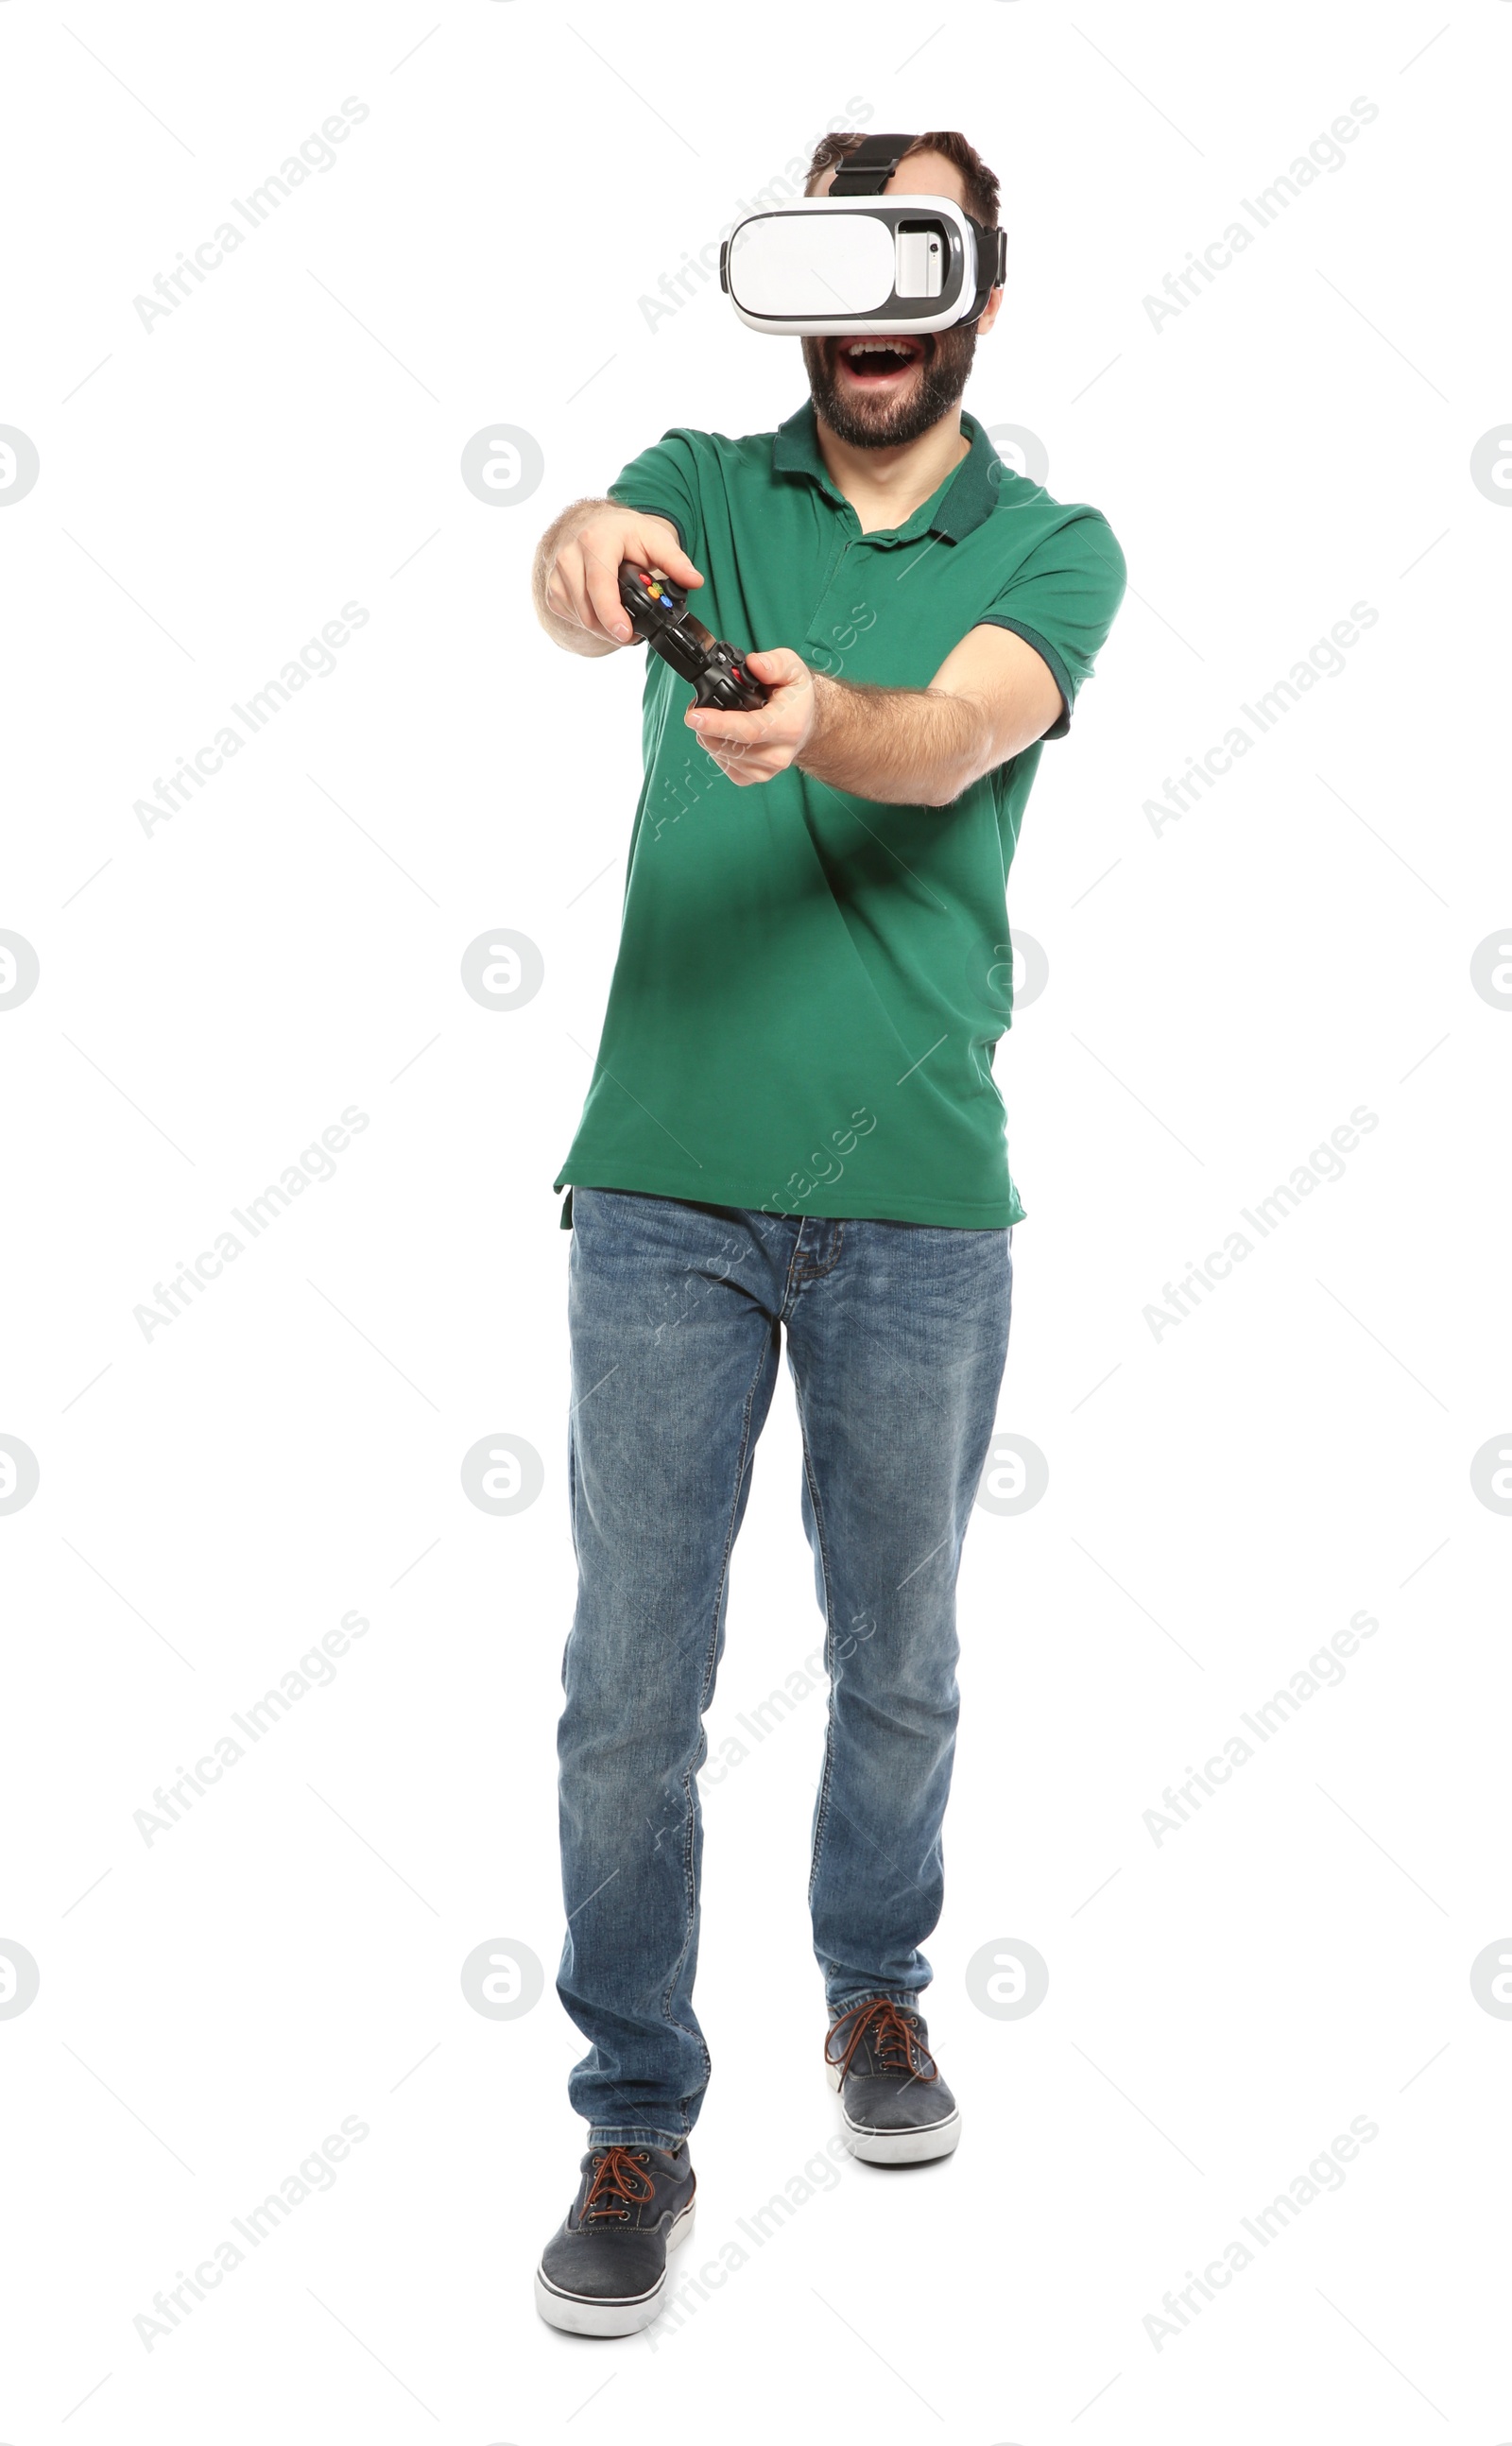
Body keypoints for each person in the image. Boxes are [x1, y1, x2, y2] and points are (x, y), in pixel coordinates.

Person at [529, 128, 1125, 2337]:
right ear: (794, 289)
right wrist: (589, 551)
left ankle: (872, 1991)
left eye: (922, 259)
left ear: (980, 283)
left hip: (915, 1214)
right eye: (840, 262)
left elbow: (953, 732)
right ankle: (633, 2114)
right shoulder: (701, 474)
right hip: (660, 1189)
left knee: (899, 1665)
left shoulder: (1050, 545)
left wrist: (823, 726)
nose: (876, 310)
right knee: (625, 1694)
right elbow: (584, 548)